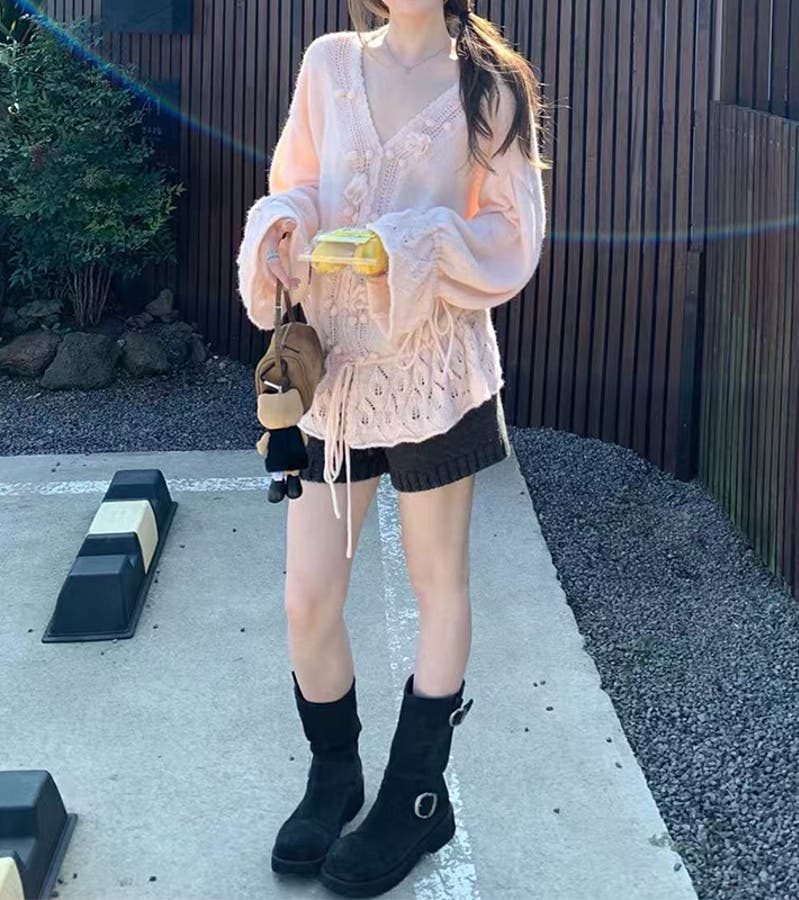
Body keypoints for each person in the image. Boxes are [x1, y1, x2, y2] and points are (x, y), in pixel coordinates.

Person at [236, 0, 549, 895]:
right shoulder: (329, 61)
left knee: (436, 583)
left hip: (434, 374)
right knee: (306, 598)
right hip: (331, 377)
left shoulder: (490, 84)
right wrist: (282, 229)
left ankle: (416, 797)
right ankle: (334, 776)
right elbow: (297, 182)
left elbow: (513, 235)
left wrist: (403, 247)